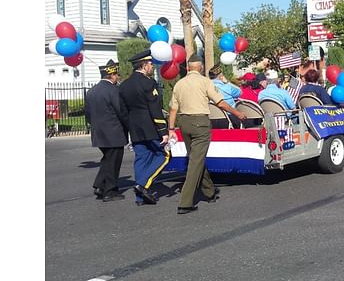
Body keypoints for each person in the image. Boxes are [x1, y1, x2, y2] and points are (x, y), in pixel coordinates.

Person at [167, 55, 247, 214]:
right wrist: (237, 113)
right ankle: (185, 202)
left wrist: (170, 129)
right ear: (201, 68)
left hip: (184, 123)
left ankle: (209, 191)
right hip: (200, 122)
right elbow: (220, 102)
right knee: (195, 162)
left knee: (196, 158)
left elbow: (173, 109)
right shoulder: (205, 82)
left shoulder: (179, 84)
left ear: (188, 68)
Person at [118, 50, 170, 206]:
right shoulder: (148, 83)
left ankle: (140, 198)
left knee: (141, 159)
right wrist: (163, 131)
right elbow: (154, 109)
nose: (152, 67)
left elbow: (123, 111)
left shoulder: (124, 85)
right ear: (144, 65)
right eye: (150, 64)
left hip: (135, 128)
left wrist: (129, 127)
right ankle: (143, 185)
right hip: (150, 127)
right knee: (164, 156)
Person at [85, 60, 129, 202]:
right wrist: (129, 126)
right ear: (111, 75)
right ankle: (110, 191)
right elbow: (121, 111)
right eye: (116, 74)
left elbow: (88, 114)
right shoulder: (113, 90)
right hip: (114, 133)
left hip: (99, 133)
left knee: (107, 160)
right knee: (113, 162)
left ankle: (99, 185)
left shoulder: (92, 91)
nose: (117, 77)